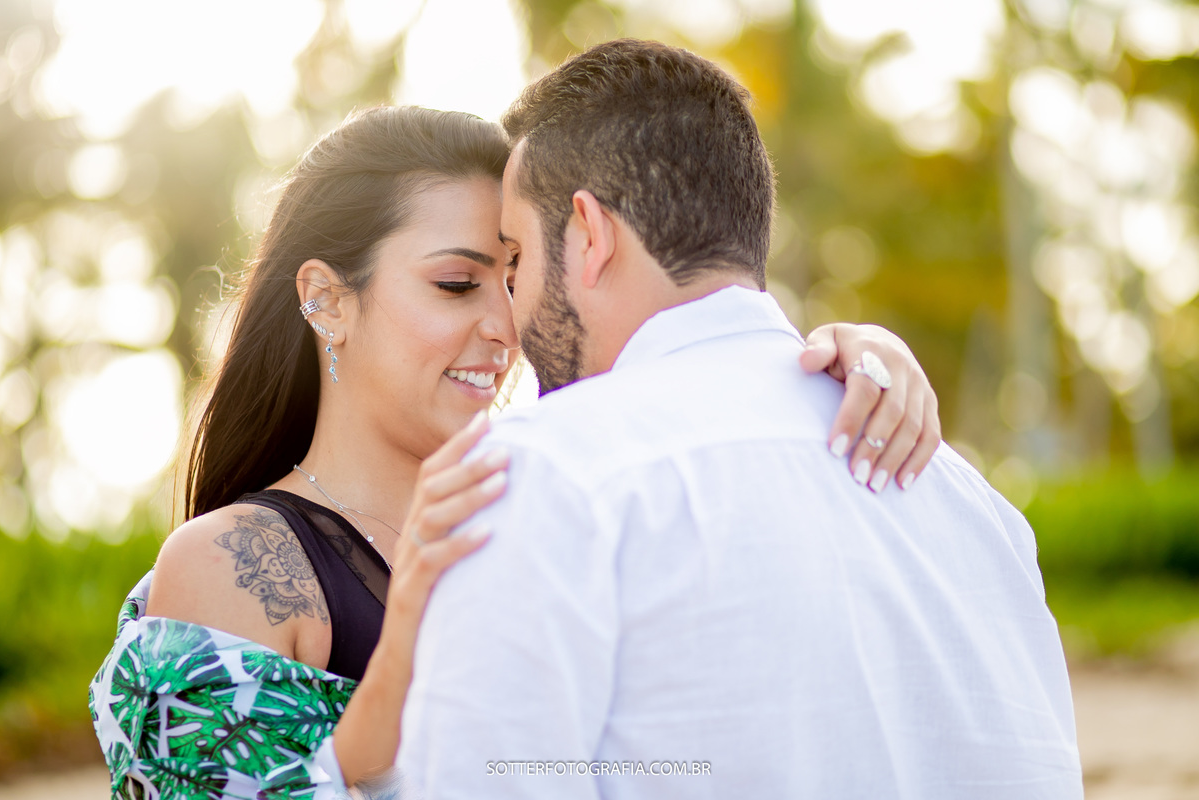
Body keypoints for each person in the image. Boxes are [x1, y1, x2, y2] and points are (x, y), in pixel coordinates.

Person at [88, 105, 942, 799]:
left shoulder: (556, 495)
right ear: (325, 300)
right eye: (457, 283)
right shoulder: (236, 562)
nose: (505, 325)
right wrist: (411, 629)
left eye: (514, 273)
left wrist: (822, 364)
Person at [396, 40, 1083, 799]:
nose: (510, 314)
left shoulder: (537, 473)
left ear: (590, 236)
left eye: (517, 258)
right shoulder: (976, 508)